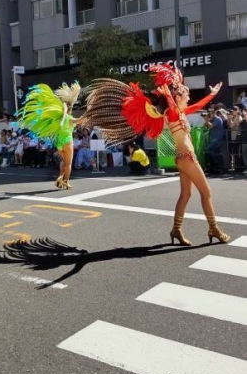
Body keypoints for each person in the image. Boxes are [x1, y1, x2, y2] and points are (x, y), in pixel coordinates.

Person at [81, 64, 230, 246]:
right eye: (186, 94)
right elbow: (173, 103)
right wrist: (168, 93)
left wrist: (213, 93)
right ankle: (213, 228)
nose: (189, 97)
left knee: (186, 195)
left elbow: (198, 105)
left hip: (184, 158)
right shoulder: (172, 112)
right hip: (187, 158)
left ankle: (176, 230)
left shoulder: (180, 112)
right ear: (177, 97)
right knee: (207, 192)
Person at [17, 82, 81, 189]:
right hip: (67, 142)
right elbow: (80, 120)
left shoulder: (57, 120)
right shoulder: (70, 119)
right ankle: (66, 181)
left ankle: (60, 178)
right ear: (70, 110)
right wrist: (88, 115)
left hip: (59, 144)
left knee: (64, 162)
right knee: (68, 164)